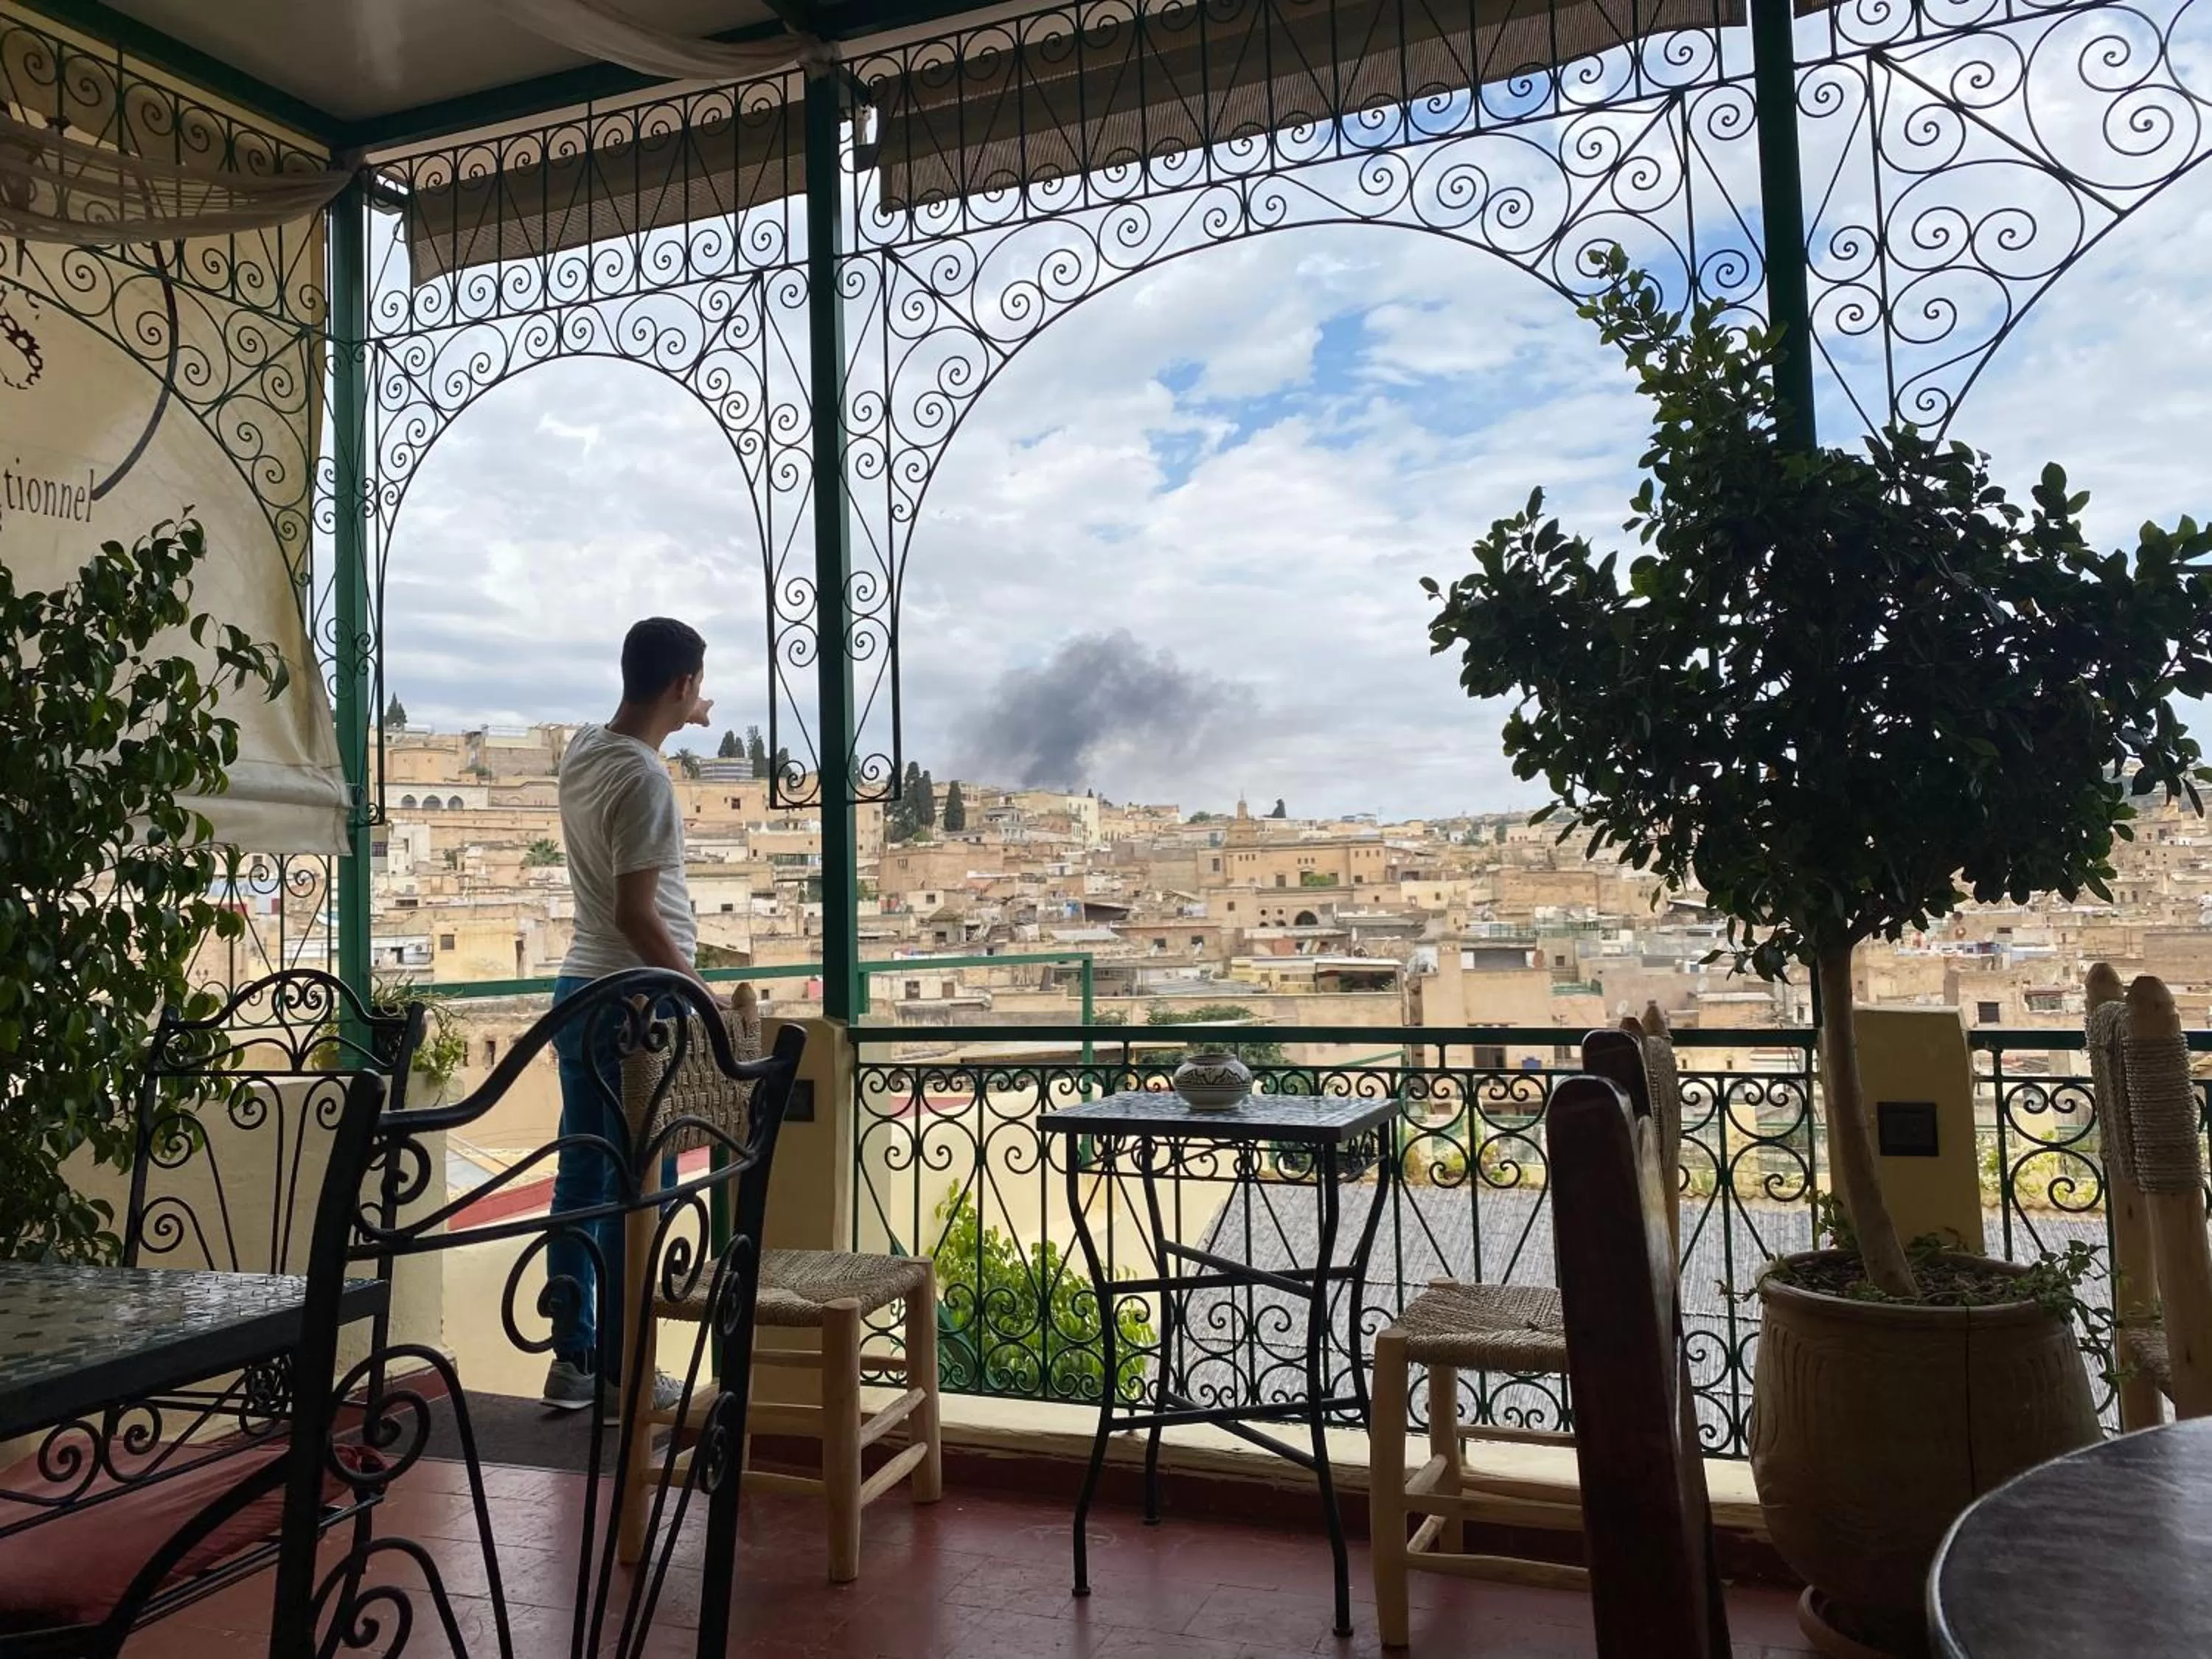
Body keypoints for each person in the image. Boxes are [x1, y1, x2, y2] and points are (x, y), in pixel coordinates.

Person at [541, 616, 713, 1412]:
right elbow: (637, 911)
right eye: (695, 685)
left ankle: (574, 1357)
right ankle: (623, 1372)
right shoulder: (645, 780)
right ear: (682, 684)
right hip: (635, 1004)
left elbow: (627, 766)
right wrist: (699, 995)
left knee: (582, 1179)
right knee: (640, 1186)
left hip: (579, 989)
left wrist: (680, 720)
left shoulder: (586, 751)